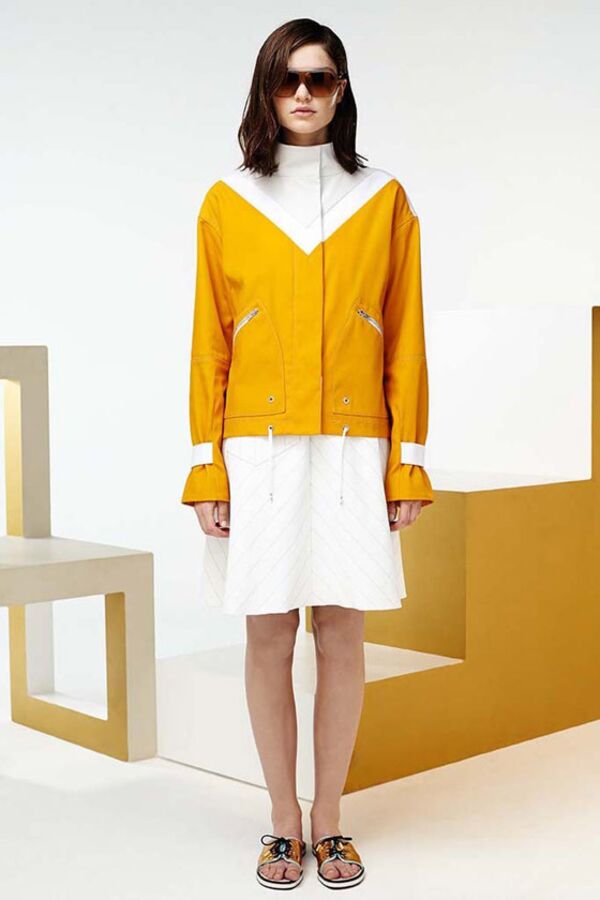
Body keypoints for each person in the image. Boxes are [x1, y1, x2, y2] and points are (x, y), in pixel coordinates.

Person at [181, 17, 435, 891]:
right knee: (267, 635)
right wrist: (207, 468)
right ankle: (281, 823)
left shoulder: (382, 199)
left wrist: (407, 461)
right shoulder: (227, 202)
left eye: (319, 79)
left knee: (340, 633)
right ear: (265, 89)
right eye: (287, 79)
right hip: (256, 450)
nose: (302, 94)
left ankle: (330, 821)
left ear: (341, 91)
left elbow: (406, 339)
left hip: (354, 447)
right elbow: (208, 346)